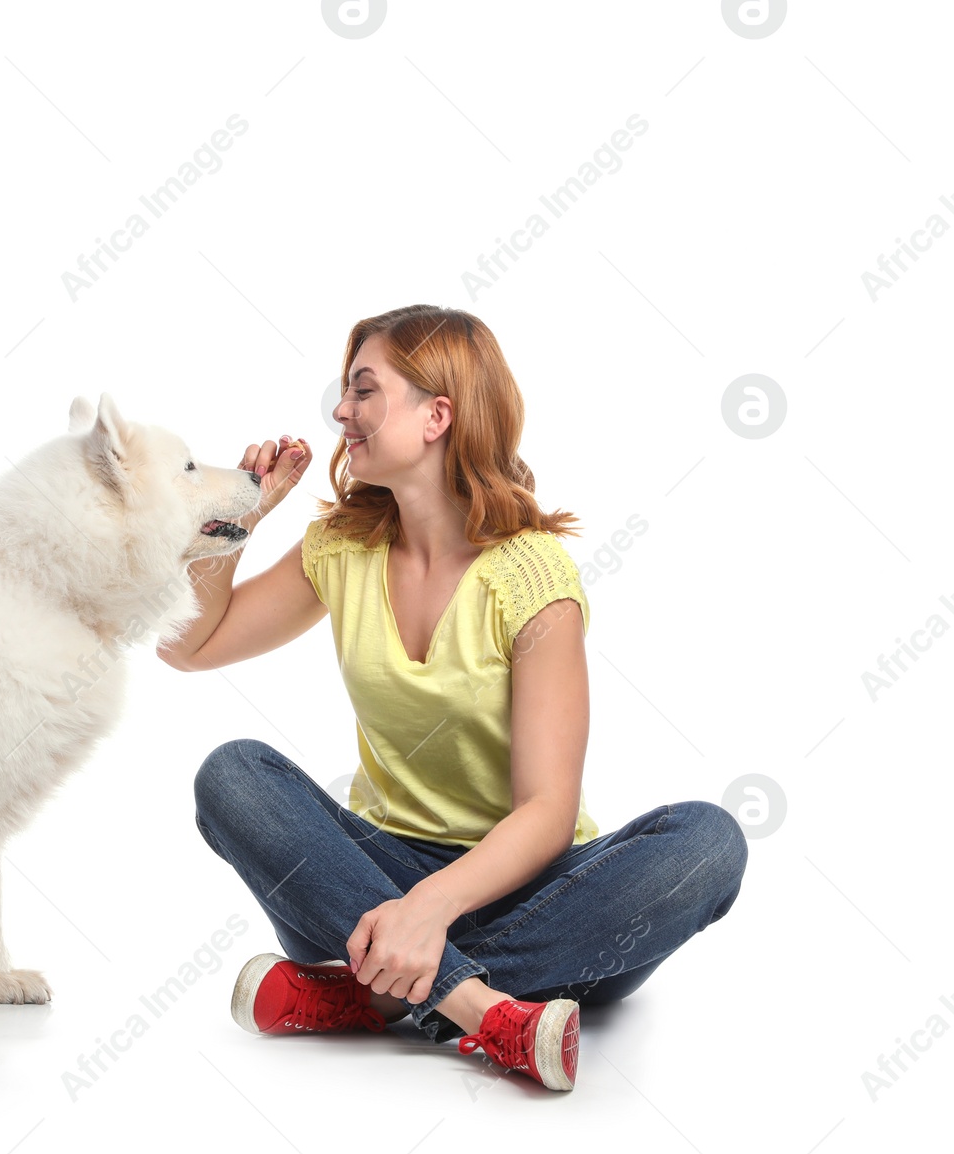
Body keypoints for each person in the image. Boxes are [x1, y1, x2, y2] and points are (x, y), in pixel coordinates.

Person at [158, 304, 747, 1091]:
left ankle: (370, 994)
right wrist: (235, 518)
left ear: (438, 415)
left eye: (364, 390)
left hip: (538, 887)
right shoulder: (342, 545)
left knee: (708, 841)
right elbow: (188, 645)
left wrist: (429, 914)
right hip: (373, 878)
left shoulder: (531, 575)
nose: (340, 411)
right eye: (344, 391)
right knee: (232, 774)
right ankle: (487, 1009)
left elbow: (546, 808)